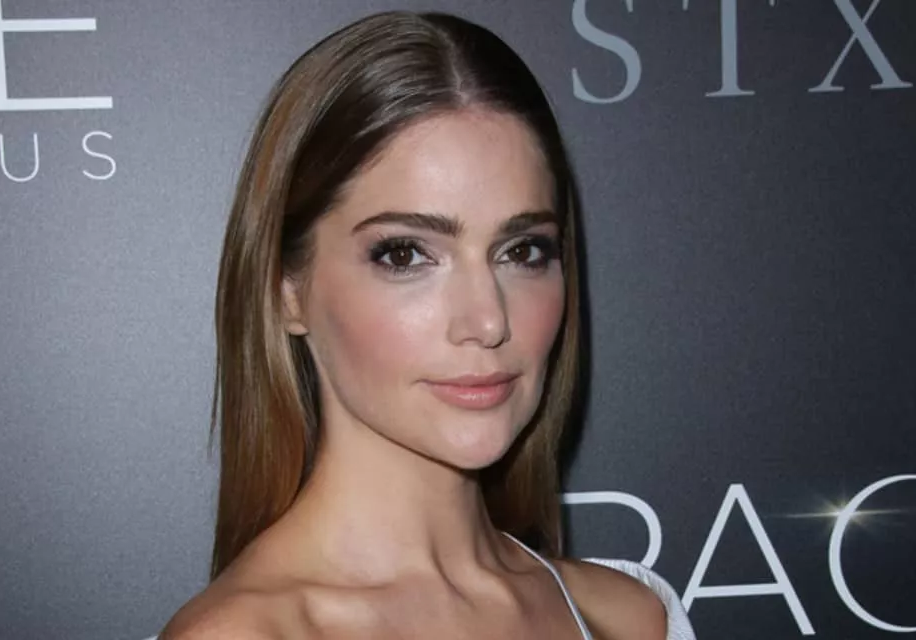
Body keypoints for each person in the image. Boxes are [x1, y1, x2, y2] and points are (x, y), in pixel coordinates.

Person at [162, 10, 695, 640]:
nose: (488, 321)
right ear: (288, 292)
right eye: (405, 255)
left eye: (522, 251)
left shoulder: (633, 617)